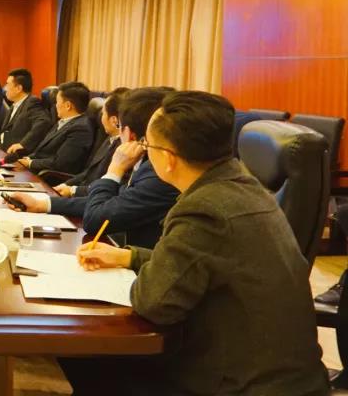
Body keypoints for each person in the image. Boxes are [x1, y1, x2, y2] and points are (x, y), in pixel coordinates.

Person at [65, 91, 327, 395]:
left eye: (148, 146)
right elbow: (204, 263)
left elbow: (154, 302)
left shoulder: (203, 208)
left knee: (82, 362)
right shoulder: (242, 185)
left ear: (169, 158)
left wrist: (141, 275)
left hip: (238, 384)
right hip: (280, 378)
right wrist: (128, 257)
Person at [8, 87, 179, 249]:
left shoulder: (156, 174)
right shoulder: (146, 165)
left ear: (128, 134)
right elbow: (114, 202)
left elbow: (96, 218)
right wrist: (42, 204)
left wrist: (114, 171)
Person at [55, 87, 129, 198]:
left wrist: (73, 190)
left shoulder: (124, 150)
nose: (101, 118)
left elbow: (107, 187)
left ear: (114, 121)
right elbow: (89, 172)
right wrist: (66, 185)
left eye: (103, 113)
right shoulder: (110, 138)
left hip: (91, 199)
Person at [17, 81, 93, 174]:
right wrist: (29, 158)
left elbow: (61, 163)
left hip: (51, 177)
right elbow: (43, 152)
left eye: (57, 102)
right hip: (37, 168)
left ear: (68, 106)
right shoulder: (63, 121)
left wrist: (31, 163)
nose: (55, 105)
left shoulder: (81, 129)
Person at [0, 68, 52, 155]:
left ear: (19, 88)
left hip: (18, 155)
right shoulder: (15, 104)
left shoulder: (32, 102)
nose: (5, 88)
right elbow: (7, 130)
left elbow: (44, 122)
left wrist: (23, 144)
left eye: (8, 84)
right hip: (4, 151)